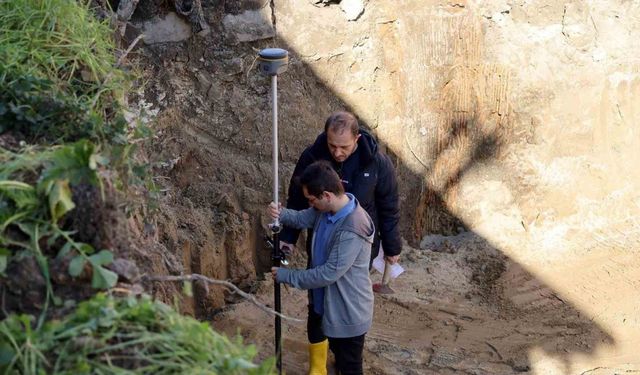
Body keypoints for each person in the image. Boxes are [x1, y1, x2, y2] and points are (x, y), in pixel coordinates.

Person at [279, 110, 401, 374]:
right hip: (323, 237)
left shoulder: (376, 163)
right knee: (319, 303)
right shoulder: (313, 156)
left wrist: (392, 247)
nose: (337, 153)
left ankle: (345, 348)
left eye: (344, 147)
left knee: (345, 295)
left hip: (357, 243)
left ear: (357, 138)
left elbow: (389, 206)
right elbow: (299, 203)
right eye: (332, 145)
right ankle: (318, 367)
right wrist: (287, 238)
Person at [268, 160, 375, 375]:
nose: (310, 204)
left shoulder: (353, 227)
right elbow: (301, 218)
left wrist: (287, 275)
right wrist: (280, 213)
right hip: (326, 305)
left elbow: (328, 273)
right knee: (337, 360)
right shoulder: (326, 210)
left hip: (348, 312)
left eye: (311, 199)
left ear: (326, 195)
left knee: (349, 368)